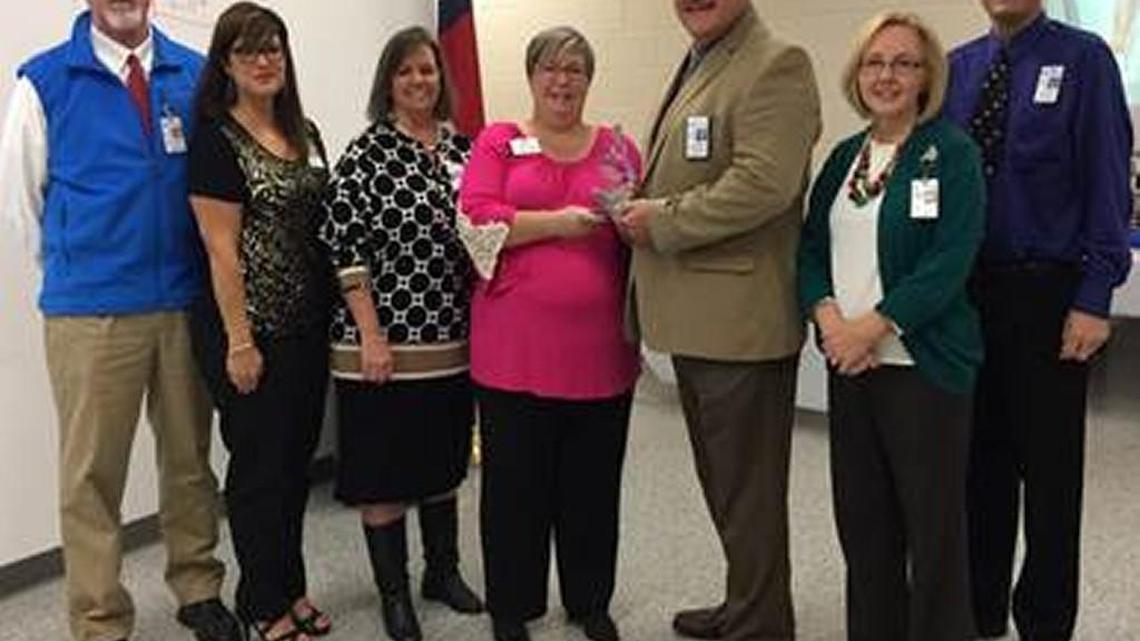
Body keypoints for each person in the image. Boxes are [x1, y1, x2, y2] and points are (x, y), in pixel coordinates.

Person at [0, 2, 243, 640]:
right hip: (93, 312)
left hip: (185, 301)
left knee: (190, 459)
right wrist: (81, 268)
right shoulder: (45, 81)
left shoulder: (194, 74)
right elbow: (24, 203)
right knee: (91, 475)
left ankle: (198, 587)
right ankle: (100, 616)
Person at [618, 0, 820, 639]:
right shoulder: (704, 59)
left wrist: (663, 220)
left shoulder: (775, 62)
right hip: (703, 321)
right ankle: (749, 603)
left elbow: (766, 183)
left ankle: (761, 623)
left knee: (748, 492)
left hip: (741, 325)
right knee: (729, 488)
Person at [942, 1, 1134, 639]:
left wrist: (1094, 295)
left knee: (1050, 478)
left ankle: (1046, 622)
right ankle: (979, 612)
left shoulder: (1086, 61)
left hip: (1048, 296)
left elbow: (1108, 180)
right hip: (968, 296)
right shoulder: (959, 68)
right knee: (978, 465)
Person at [797, 11, 984, 641]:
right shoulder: (846, 157)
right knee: (866, 529)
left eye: (904, 62)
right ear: (858, 74)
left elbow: (949, 261)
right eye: (876, 62)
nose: (888, 75)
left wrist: (870, 328)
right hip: (851, 370)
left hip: (922, 372)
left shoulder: (952, 154)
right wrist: (829, 321)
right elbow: (810, 249)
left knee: (934, 537)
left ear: (927, 75)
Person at [458, 26, 641, 641]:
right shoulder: (500, 142)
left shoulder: (618, 148)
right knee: (514, 489)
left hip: (601, 350)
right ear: (531, 75)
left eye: (575, 70)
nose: (562, 81)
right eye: (551, 69)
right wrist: (557, 225)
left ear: (589, 80)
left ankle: (590, 601)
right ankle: (512, 608)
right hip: (512, 350)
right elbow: (478, 218)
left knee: (592, 487)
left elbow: (636, 223)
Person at [320, 25, 484, 641]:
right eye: (406, 71)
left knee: (443, 460)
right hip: (381, 342)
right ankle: (394, 595)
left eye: (429, 70)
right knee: (383, 468)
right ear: (388, 81)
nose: (420, 80)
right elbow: (344, 247)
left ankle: (442, 572)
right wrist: (371, 336)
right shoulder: (366, 154)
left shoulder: (463, 150)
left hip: (453, 340)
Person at [187, 3, 333, 640]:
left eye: (273, 47)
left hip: (306, 329)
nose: (264, 60)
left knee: (294, 465)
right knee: (257, 470)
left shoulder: (308, 133)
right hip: (246, 333)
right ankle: (261, 605)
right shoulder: (216, 141)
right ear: (226, 63)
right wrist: (240, 343)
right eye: (248, 50)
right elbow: (222, 252)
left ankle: (291, 587)